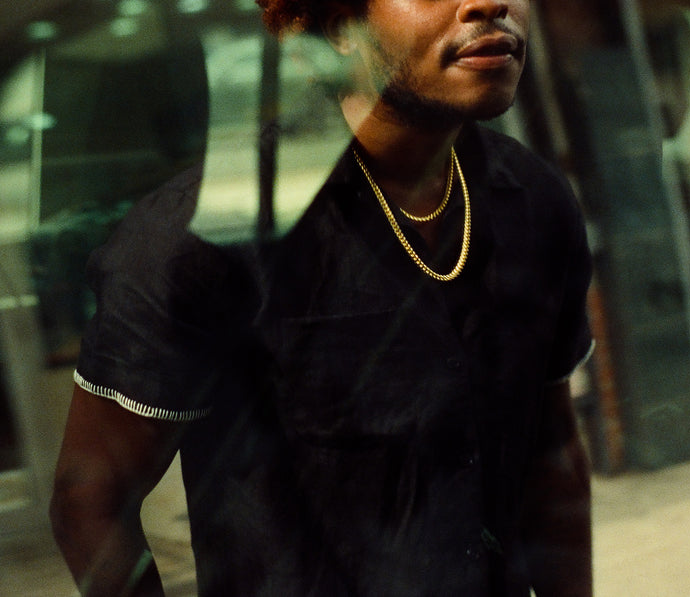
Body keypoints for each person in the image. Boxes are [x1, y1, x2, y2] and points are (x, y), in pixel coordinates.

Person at [49, 0, 595, 595]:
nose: (488, 3)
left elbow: (553, 457)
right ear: (340, 27)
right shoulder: (207, 235)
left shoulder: (535, 200)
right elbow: (89, 502)